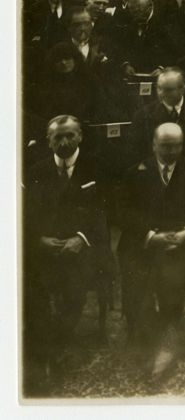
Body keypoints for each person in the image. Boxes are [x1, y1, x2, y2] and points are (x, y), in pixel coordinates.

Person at [116, 122, 185, 377]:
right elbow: (122, 212)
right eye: (166, 146)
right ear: (154, 145)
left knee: (173, 282)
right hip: (144, 243)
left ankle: (166, 341)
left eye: (177, 146)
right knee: (138, 283)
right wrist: (151, 235)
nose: (171, 151)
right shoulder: (135, 172)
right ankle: (144, 342)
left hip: (181, 243)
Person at [24, 115, 108, 371]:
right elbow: (25, 213)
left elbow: (106, 212)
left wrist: (80, 239)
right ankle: (44, 342)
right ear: (48, 141)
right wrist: (39, 239)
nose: (64, 141)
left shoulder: (97, 167)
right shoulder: (36, 171)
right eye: (57, 137)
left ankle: (53, 344)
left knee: (74, 287)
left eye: (70, 135)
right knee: (28, 285)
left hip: (82, 246)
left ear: (80, 136)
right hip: (45, 246)